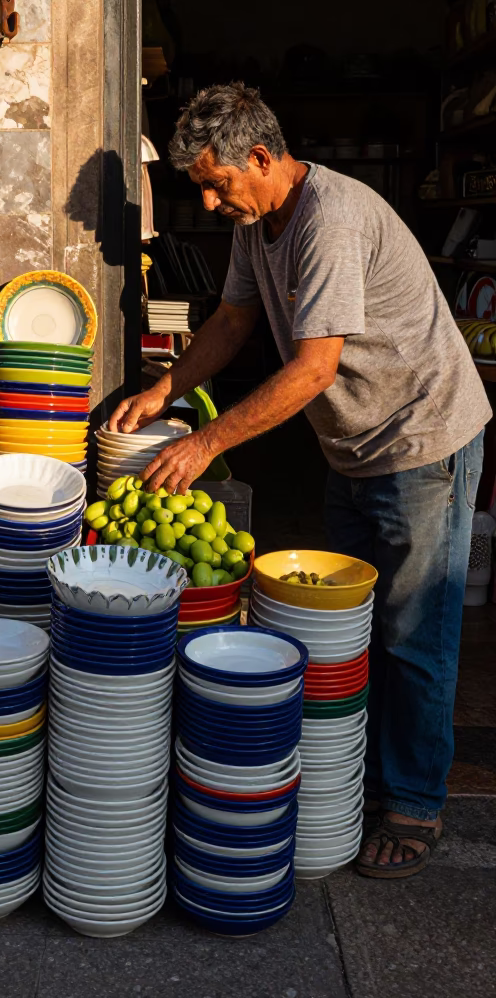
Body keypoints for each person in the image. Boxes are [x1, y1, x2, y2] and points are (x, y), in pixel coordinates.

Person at [109, 81, 490, 879]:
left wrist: (207, 441)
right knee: (359, 631)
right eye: (204, 190)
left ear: (260, 157)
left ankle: (414, 807)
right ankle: (372, 782)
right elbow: (232, 322)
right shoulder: (261, 221)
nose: (212, 203)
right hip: (353, 448)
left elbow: (314, 368)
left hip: (420, 437)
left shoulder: (330, 219)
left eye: (218, 184)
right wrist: (163, 390)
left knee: (415, 634)